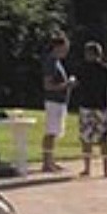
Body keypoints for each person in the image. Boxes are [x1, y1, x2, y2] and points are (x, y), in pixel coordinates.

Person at [75, 41, 107, 177]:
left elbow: (78, 84)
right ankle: (106, 169)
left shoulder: (82, 69)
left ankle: (87, 168)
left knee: (86, 137)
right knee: (104, 137)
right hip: (101, 105)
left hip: (87, 105)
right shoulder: (106, 70)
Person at [40, 33, 75, 174]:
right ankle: (46, 163)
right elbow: (47, 85)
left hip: (60, 102)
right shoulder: (51, 62)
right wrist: (67, 84)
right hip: (53, 101)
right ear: (57, 47)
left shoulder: (57, 62)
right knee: (51, 132)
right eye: (65, 48)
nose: (66, 51)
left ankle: (50, 160)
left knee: (55, 132)